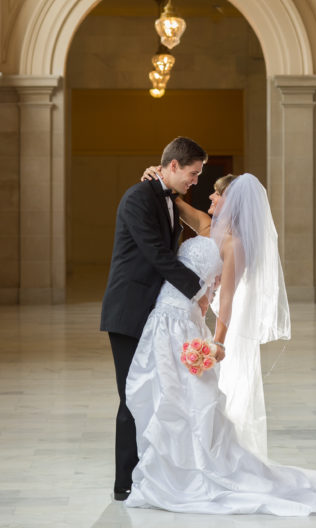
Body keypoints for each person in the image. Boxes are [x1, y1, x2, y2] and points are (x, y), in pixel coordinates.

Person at [123, 170, 316, 516]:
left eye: (217, 195)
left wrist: (217, 344)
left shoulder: (236, 245)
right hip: (166, 319)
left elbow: (226, 299)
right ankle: (169, 467)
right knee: (166, 394)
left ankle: (192, 472)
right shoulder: (205, 226)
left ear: (232, 203)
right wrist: (155, 175)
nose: (210, 198)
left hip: (186, 327)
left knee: (188, 401)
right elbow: (174, 199)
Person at [100, 137, 210, 502]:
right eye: (193, 173)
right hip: (129, 310)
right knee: (130, 397)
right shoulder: (137, 197)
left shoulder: (165, 198)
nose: (196, 181)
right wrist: (199, 291)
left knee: (149, 392)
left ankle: (149, 475)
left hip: (154, 311)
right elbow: (157, 255)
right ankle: (124, 484)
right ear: (174, 166)